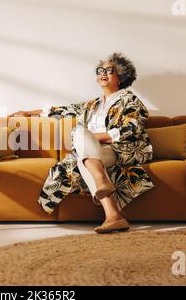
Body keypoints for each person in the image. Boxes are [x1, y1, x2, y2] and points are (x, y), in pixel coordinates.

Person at [9, 52, 155, 234]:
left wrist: (94, 137)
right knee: (80, 144)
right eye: (100, 70)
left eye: (110, 70)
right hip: (94, 152)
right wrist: (28, 113)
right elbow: (62, 110)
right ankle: (113, 215)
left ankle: (102, 183)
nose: (103, 73)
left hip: (119, 149)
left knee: (82, 150)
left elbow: (132, 128)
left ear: (121, 76)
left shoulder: (131, 100)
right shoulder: (92, 104)